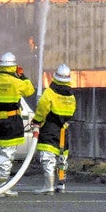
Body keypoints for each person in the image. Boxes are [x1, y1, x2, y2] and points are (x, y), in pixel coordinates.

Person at [0, 51, 35, 194]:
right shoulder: (16, 82)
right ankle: (3, 188)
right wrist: (21, 75)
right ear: (13, 67)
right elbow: (29, 89)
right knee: (6, 155)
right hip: (11, 122)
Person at [31, 63, 76, 194]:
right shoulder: (71, 97)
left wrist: (36, 121)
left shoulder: (49, 93)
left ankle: (48, 185)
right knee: (62, 158)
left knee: (48, 157)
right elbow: (71, 114)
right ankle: (61, 185)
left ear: (55, 77)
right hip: (63, 131)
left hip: (50, 129)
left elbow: (42, 109)